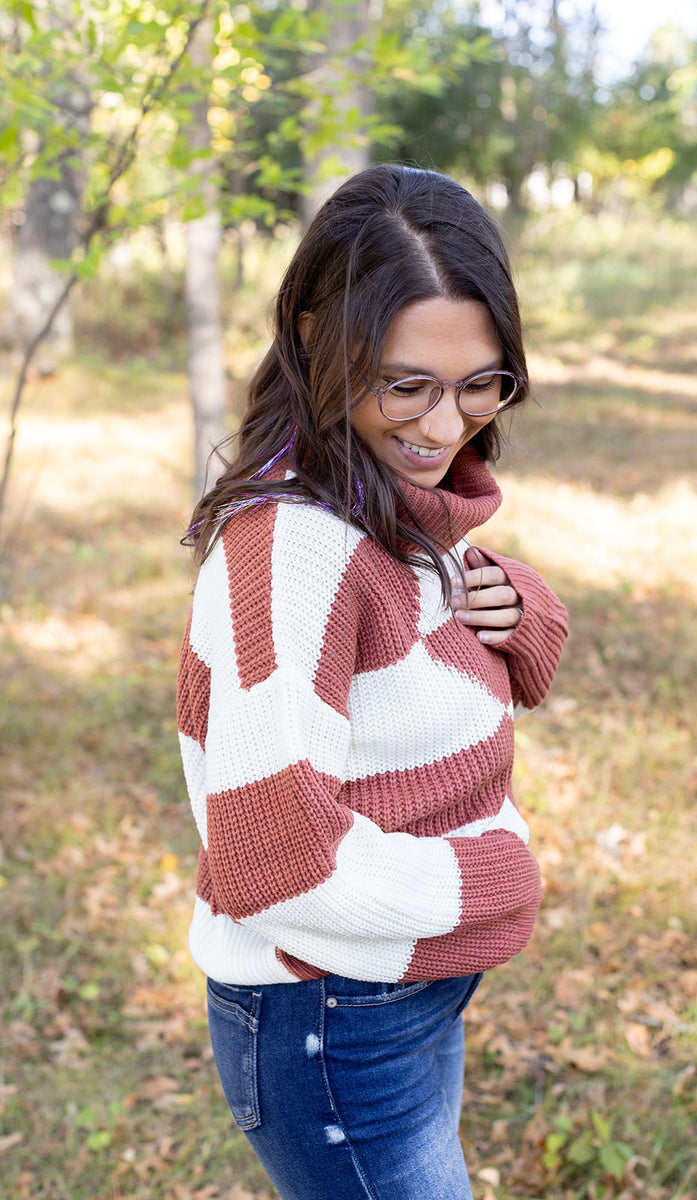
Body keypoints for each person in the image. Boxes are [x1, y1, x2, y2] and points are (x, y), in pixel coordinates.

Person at [177, 163, 568, 1200]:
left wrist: (520, 608)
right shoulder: (296, 547)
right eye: (407, 384)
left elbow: (424, 654)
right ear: (316, 339)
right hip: (333, 1008)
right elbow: (274, 859)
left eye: (482, 383)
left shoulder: (379, 500)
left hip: (396, 979)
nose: (446, 428)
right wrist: (491, 883)